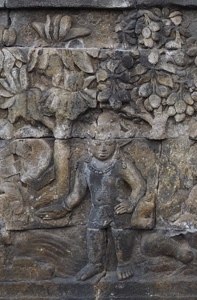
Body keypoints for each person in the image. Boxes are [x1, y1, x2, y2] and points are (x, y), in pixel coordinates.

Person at [38, 113, 146, 281]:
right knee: (93, 233)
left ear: (116, 146)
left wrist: (131, 202)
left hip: (118, 208)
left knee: (121, 233)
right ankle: (95, 264)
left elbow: (139, 185)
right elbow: (78, 193)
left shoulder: (120, 164)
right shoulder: (85, 166)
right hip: (98, 208)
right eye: (98, 144)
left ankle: (124, 263)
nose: (103, 149)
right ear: (89, 145)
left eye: (108, 144)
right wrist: (62, 208)